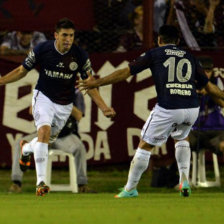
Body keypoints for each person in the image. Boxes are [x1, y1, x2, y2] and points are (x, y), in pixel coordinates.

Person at [77, 25, 224, 198]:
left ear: (159, 40)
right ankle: (184, 179)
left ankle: (130, 188)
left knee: (145, 145)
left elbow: (125, 73)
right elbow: (208, 86)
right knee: (181, 137)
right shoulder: (190, 56)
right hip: (191, 108)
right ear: (177, 41)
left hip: (169, 107)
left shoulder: (155, 53)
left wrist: (97, 82)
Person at [0, 18, 115, 196]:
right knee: (43, 132)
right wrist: (1, 80)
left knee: (43, 140)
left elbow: (89, 84)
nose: (68, 39)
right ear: (56, 35)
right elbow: (22, 70)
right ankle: (41, 184)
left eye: (71, 35)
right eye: (64, 35)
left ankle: (27, 148)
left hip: (64, 105)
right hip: (43, 97)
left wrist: (104, 107)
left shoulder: (80, 55)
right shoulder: (42, 49)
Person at [9, 89, 94, 193]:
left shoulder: (75, 92)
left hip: (64, 135)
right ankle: (16, 183)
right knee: (20, 143)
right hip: (43, 134)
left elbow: (79, 116)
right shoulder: (43, 88)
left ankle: (82, 185)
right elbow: (32, 110)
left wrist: (63, 101)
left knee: (79, 147)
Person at [189, 56, 224, 155]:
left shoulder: (216, 82)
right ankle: (178, 168)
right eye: (202, 71)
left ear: (212, 71)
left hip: (216, 129)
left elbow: (222, 104)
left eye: (208, 71)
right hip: (195, 130)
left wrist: (210, 91)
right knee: (181, 142)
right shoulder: (189, 83)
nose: (205, 74)